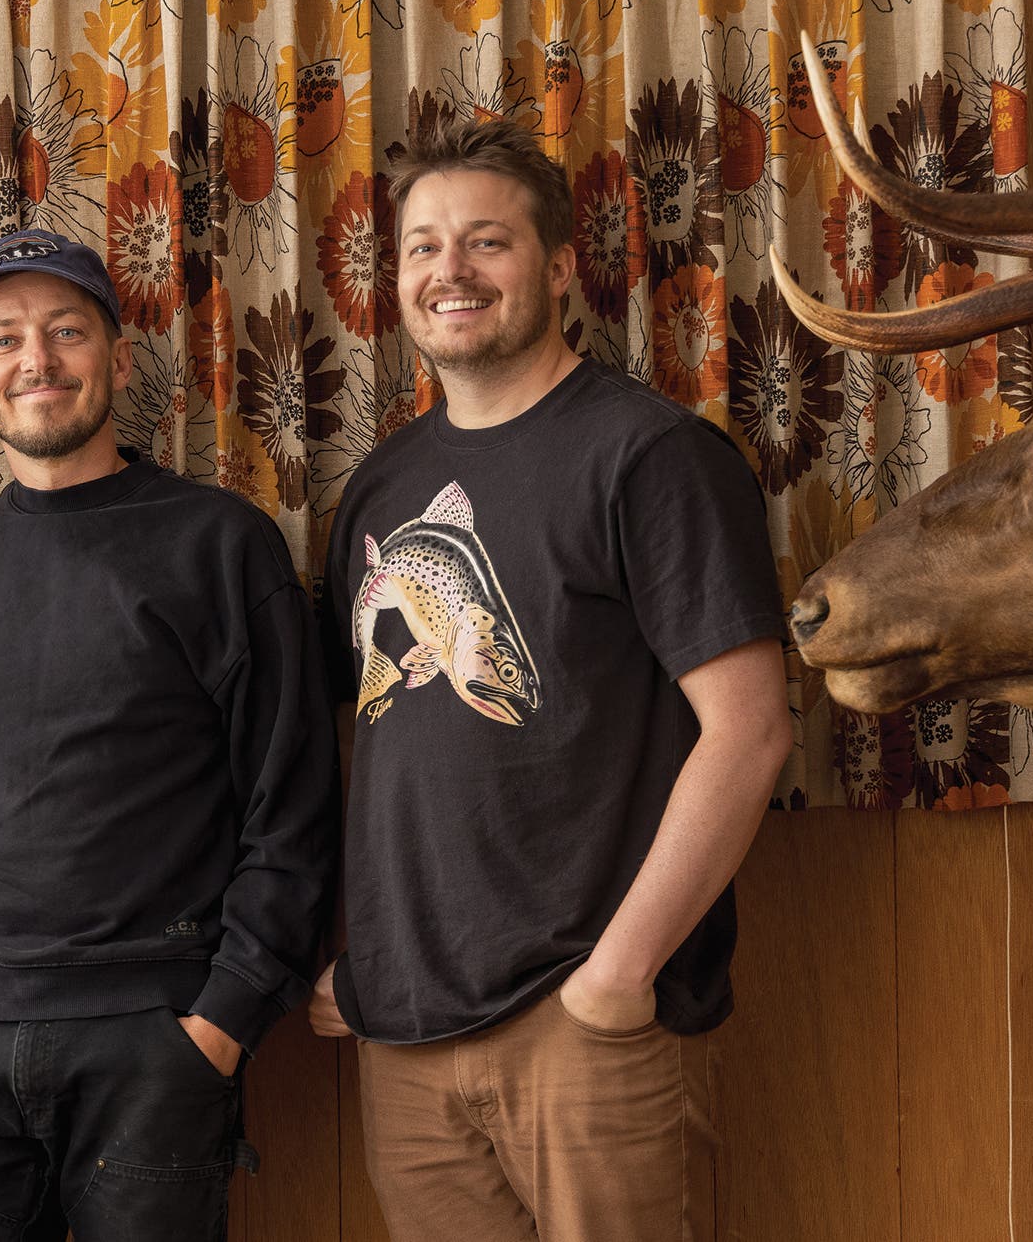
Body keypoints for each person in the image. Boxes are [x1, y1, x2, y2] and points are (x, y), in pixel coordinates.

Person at [309, 119, 793, 1242]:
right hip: (407, 1036)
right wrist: (368, 965)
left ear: (563, 266)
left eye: (487, 242)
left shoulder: (652, 457)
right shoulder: (384, 489)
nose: (450, 273)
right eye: (422, 248)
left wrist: (615, 982)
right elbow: (383, 744)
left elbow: (751, 734)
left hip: (585, 1022)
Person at [0, 229, 337, 1241]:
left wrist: (220, 1024)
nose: (38, 359)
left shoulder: (219, 545)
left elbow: (289, 801)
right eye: (5, 339)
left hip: (153, 1037)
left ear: (118, 361)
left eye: (67, 330)